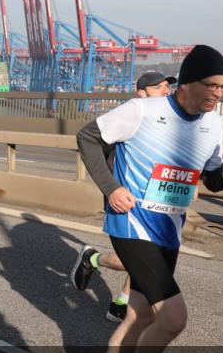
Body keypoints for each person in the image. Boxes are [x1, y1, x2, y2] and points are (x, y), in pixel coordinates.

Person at [76, 45, 223, 353]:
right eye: (212, 85)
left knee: (142, 314)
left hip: (168, 230)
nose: (218, 94)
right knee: (173, 317)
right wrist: (111, 187)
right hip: (131, 225)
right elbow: (88, 137)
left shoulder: (212, 125)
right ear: (186, 83)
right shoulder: (143, 111)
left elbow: (213, 180)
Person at [71, 71, 177, 322]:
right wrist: (111, 187)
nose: (165, 91)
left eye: (167, 87)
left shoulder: (172, 120)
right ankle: (94, 259)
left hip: (161, 198)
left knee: (155, 255)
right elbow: (91, 142)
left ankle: (121, 300)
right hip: (128, 197)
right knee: (143, 259)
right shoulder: (131, 116)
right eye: (157, 88)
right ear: (141, 94)